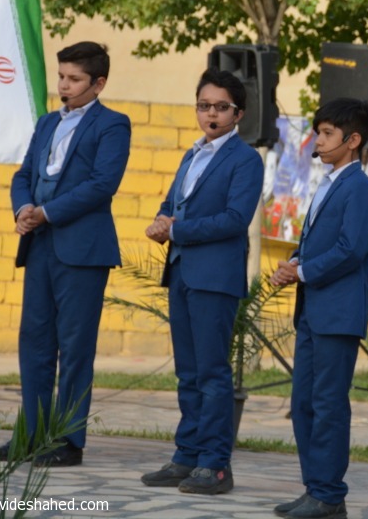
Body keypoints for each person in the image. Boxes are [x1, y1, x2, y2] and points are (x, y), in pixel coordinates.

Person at [141, 68, 264, 495]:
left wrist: (177, 229)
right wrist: (162, 221)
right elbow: (172, 202)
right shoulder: (191, 155)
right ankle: (187, 455)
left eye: (221, 107)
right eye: (204, 105)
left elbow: (234, 219)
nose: (211, 114)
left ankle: (215, 464)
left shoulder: (245, 159)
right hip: (181, 271)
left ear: (238, 114)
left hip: (215, 277)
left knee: (211, 372)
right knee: (188, 372)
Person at [7, 41, 131, 467]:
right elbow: (24, 175)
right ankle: (31, 435)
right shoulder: (46, 122)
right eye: (61, 76)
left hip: (83, 250)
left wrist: (47, 212)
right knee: (34, 342)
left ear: (99, 83)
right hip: (40, 245)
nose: (64, 85)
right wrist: (24, 209)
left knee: (75, 347)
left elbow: (102, 184)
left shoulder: (113, 125)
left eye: (74, 79)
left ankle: (68, 440)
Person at [270, 99, 368, 519]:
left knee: (329, 405)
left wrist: (303, 272)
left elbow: (351, 249)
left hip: (337, 315)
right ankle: (315, 488)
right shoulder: (330, 182)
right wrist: (296, 261)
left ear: (353, 140)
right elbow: (319, 243)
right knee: (304, 403)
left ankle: (329, 494)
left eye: (327, 133)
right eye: (318, 132)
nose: (318, 140)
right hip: (314, 311)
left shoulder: (359, 188)